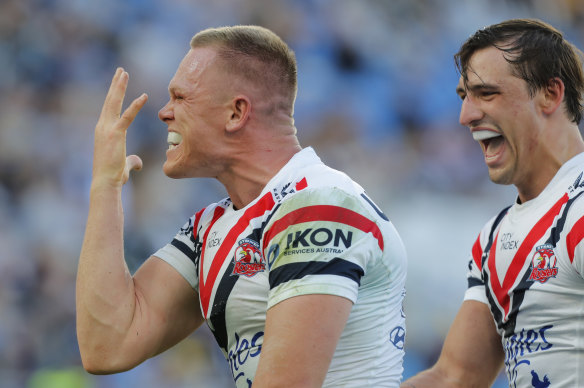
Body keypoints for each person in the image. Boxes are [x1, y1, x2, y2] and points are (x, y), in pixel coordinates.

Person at [76, 25, 407, 387]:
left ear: (236, 112)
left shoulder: (319, 203)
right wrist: (104, 188)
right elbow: (107, 345)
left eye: (180, 97)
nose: (164, 112)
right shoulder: (212, 226)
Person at [401, 18, 584, 388]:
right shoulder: (494, 238)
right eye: (463, 97)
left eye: (486, 94)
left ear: (550, 94)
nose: (465, 116)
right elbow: (454, 377)